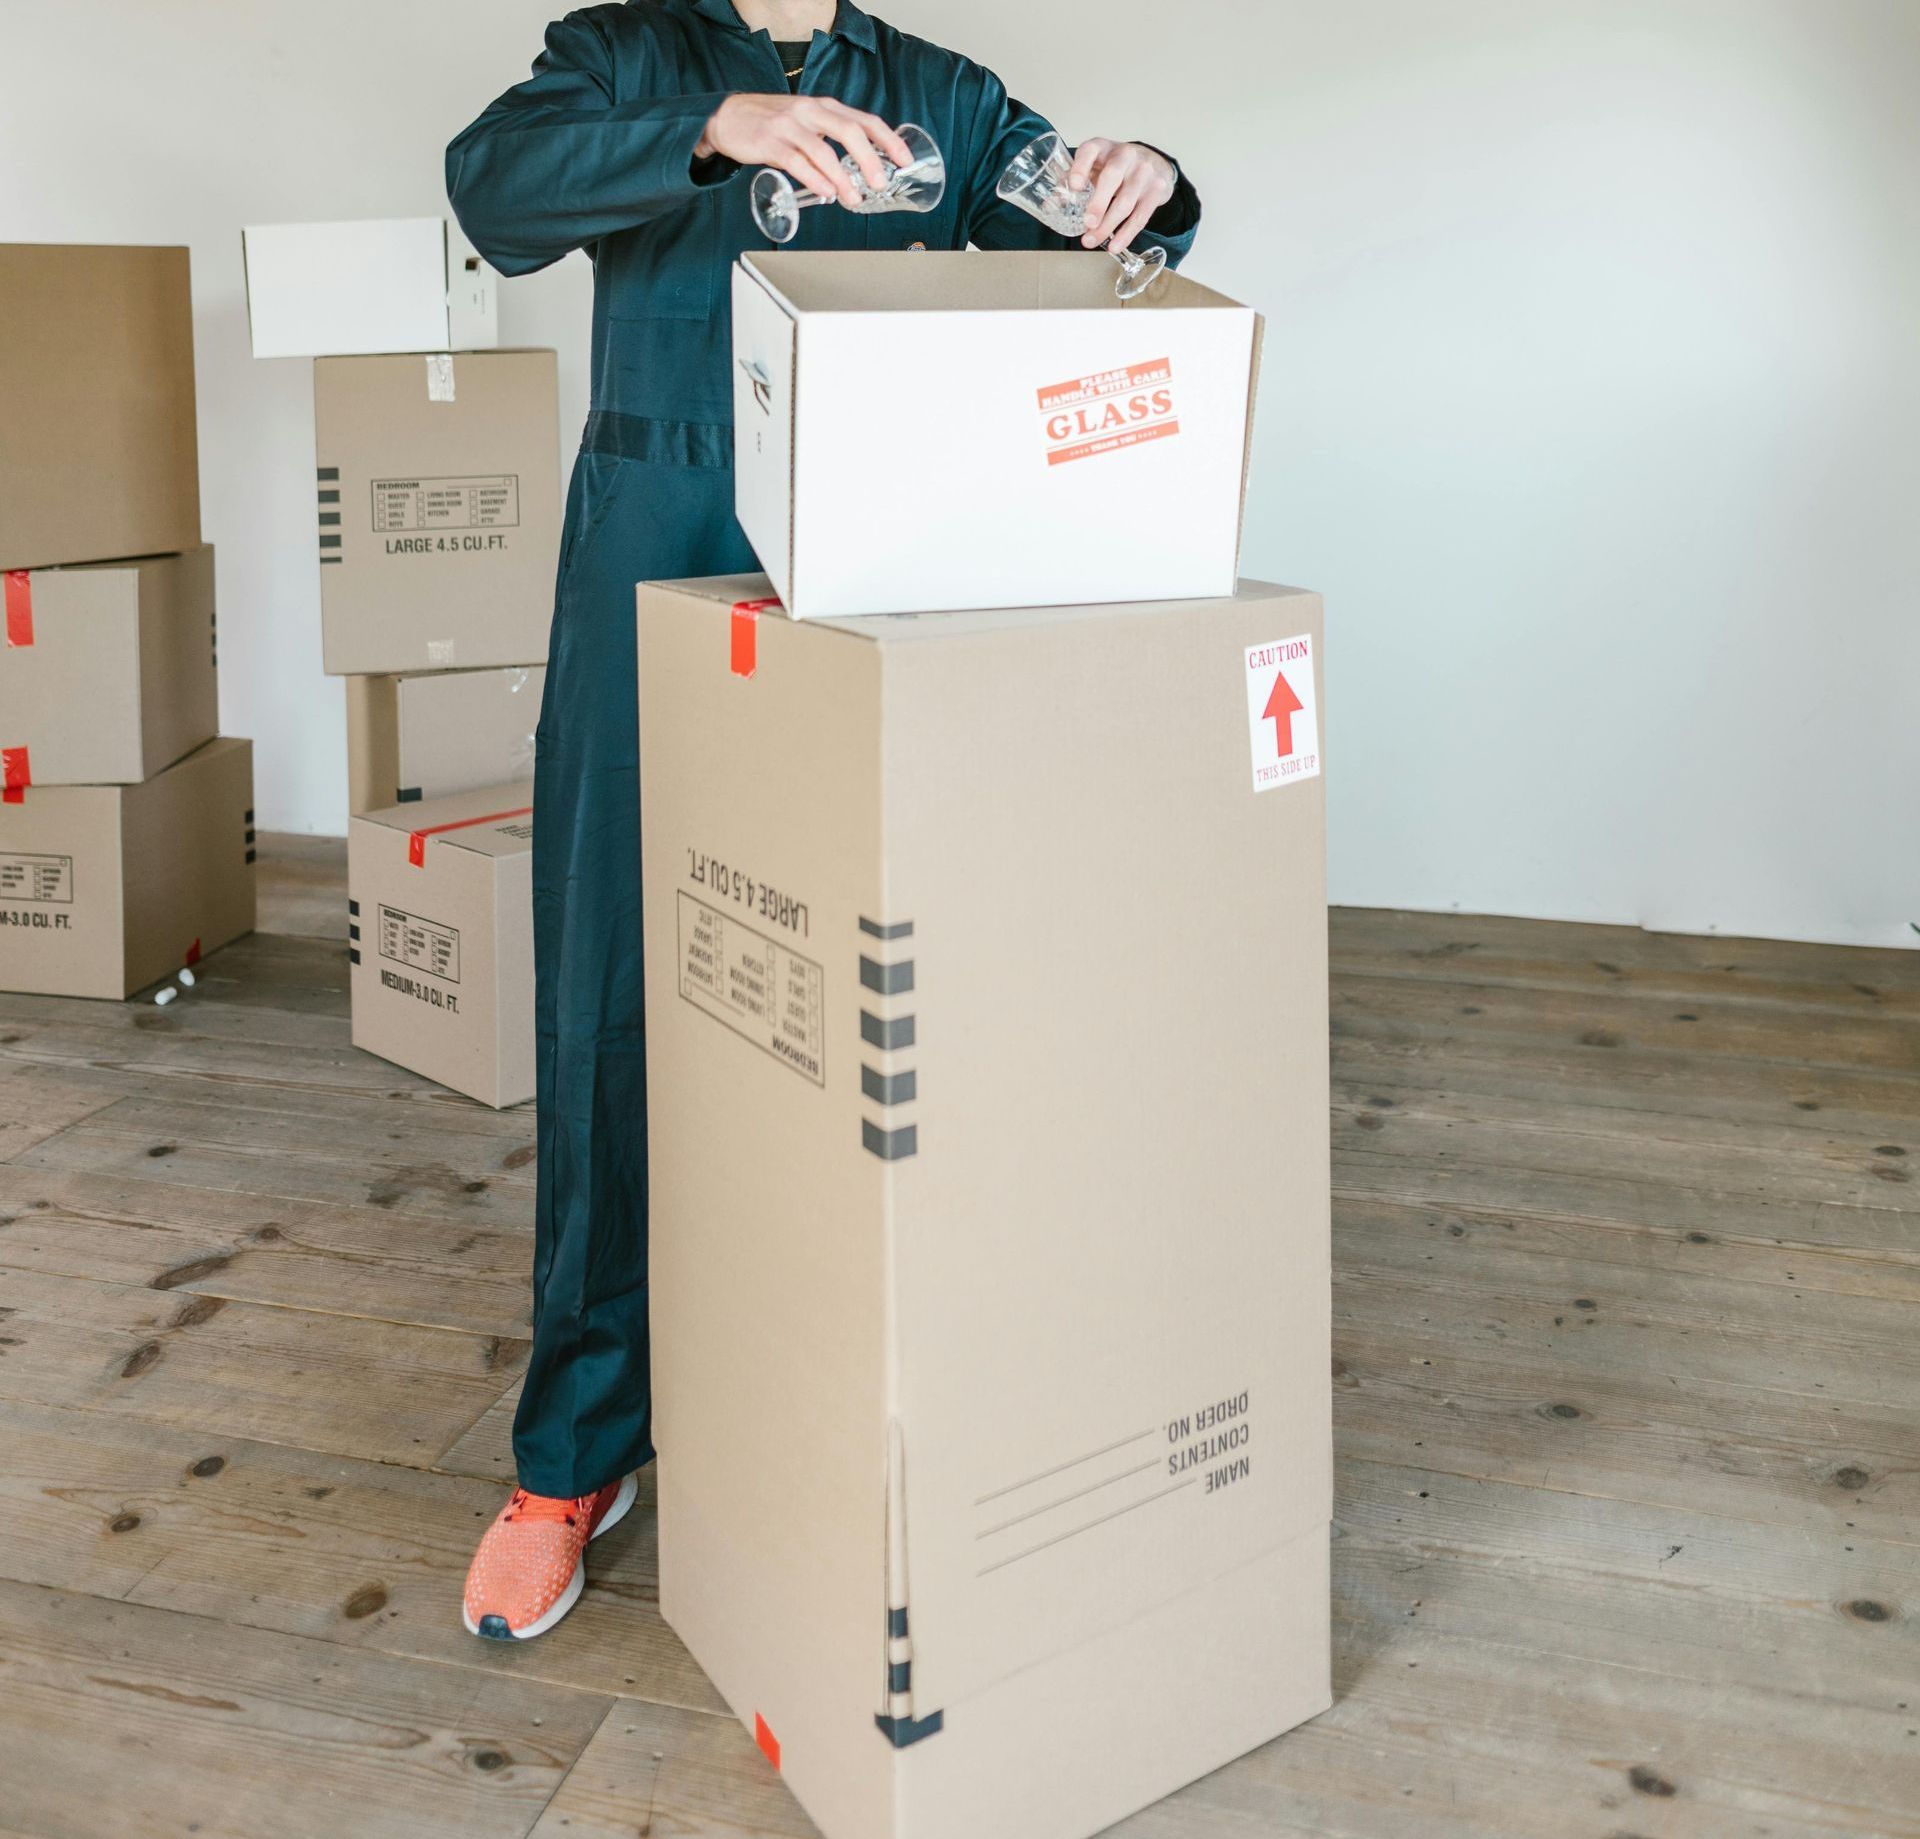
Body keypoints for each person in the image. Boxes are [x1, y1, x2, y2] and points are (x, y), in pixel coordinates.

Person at [446, 0, 1202, 1643]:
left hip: (876, 547)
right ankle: (575, 1453)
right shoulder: (622, 51)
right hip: (654, 526)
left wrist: (1144, 181)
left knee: (881, 1001)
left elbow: (1068, 222)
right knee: (608, 1001)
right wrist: (714, 130)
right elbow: (492, 192)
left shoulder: (941, 90)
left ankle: (856, 1418)